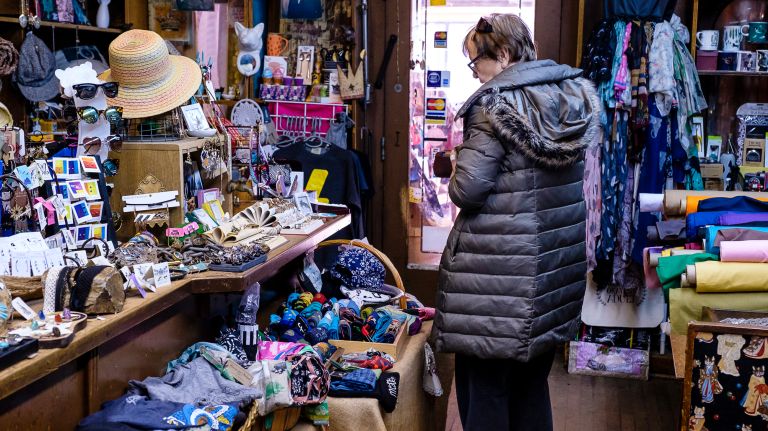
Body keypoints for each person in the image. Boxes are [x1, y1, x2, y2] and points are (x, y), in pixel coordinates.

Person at [432, 13, 601, 431]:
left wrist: (456, 163)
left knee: (485, 391)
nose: (476, 75)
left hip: (497, 282)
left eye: (477, 63)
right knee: (530, 388)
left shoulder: (492, 107)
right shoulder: (567, 99)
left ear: (503, 54)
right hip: (550, 276)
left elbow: (468, 191)